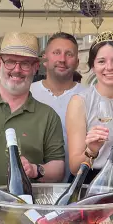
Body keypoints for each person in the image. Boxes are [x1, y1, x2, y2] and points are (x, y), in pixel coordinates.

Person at [0, 32, 65, 222]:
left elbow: (58, 168)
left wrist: (35, 170)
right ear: (0, 63)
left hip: (25, 221)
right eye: (10, 62)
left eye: (25, 63)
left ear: (35, 68)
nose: (17, 70)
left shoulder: (48, 116)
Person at [66, 31, 113, 183]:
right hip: (89, 180)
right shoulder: (80, 102)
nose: (109, 67)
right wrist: (91, 150)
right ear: (93, 66)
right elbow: (74, 167)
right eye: (101, 61)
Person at [31, 32, 86, 181]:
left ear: (77, 62)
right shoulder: (29, 93)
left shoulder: (89, 96)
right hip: (36, 185)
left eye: (69, 54)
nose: (62, 59)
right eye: (56, 53)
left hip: (79, 184)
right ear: (45, 59)